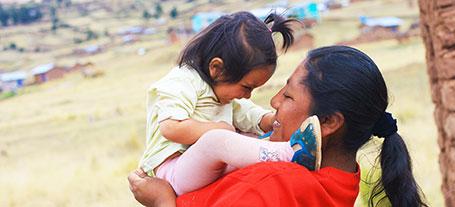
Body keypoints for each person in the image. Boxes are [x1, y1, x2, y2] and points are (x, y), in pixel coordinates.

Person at [129, 46, 429, 207]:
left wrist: (161, 201)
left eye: (287, 96)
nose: (272, 101)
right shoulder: (340, 179)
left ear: (328, 123)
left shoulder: (271, 185)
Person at [139, 11, 303, 197]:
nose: (248, 96)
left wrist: (268, 120)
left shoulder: (220, 92)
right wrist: (219, 128)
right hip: (173, 170)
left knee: (251, 137)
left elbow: (244, 113)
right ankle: (291, 153)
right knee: (217, 140)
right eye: (246, 87)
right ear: (217, 69)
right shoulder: (182, 81)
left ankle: (285, 149)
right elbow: (171, 128)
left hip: (202, 166)